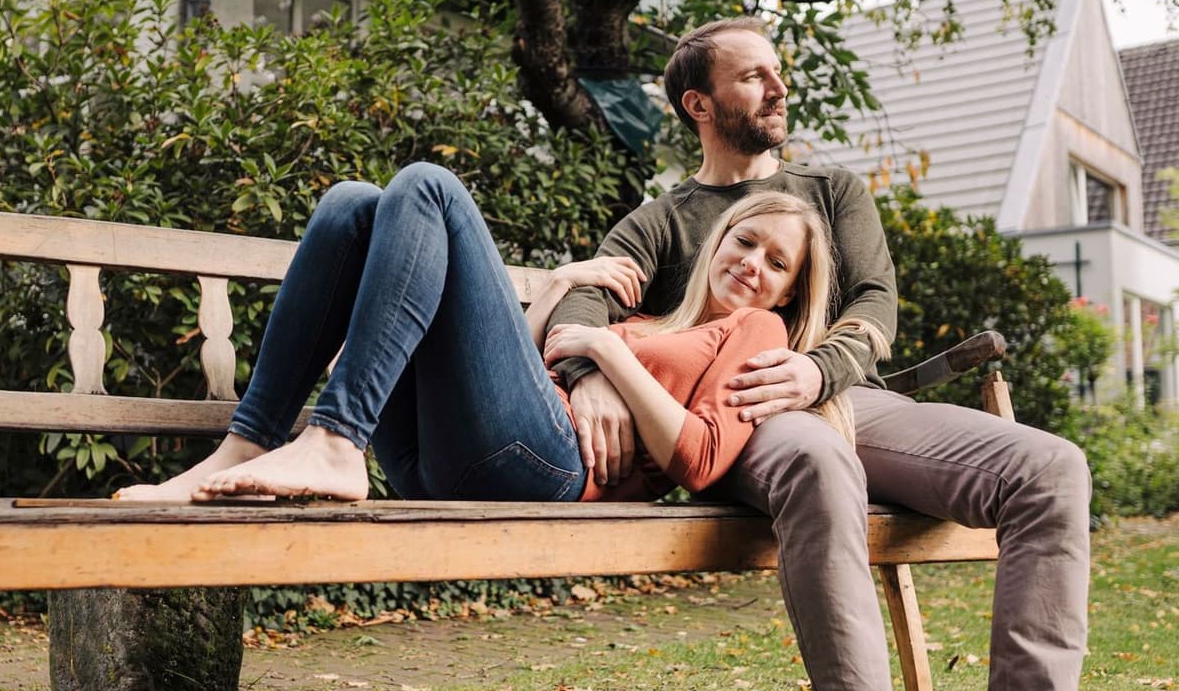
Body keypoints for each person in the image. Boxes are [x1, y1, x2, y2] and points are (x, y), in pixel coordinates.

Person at [544, 17, 1179, 691]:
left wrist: (813, 372)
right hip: (737, 420)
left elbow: (874, 312)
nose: (777, 87)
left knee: (1050, 469)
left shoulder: (831, 191)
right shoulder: (660, 221)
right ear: (698, 103)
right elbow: (584, 301)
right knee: (817, 461)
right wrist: (588, 372)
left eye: (779, 72)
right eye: (752, 76)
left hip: (840, 395)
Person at [113, 167, 838, 510]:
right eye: (746, 241)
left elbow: (701, 460)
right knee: (352, 207)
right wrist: (555, 295)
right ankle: (249, 444)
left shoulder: (760, 330)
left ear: (789, 291)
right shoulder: (657, 321)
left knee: (428, 187)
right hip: (455, 456)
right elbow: (499, 372)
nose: (754, 265)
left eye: (778, 264)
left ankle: (336, 442)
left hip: (551, 472)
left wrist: (605, 350)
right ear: (718, 242)